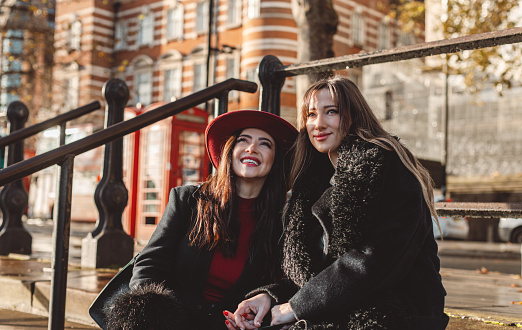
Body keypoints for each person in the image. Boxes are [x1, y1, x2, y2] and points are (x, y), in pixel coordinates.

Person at [225, 76, 449, 330]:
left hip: (398, 311)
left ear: (353, 115)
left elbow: (376, 260)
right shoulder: (313, 180)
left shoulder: (386, 164)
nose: (318, 124)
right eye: (311, 114)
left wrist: (296, 307)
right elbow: (312, 272)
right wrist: (269, 296)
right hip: (336, 306)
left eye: (331, 112)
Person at [105, 110, 297, 330]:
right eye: (243, 140)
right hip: (174, 320)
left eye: (265, 144)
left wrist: (266, 297)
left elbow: (291, 282)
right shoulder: (187, 200)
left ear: (275, 160)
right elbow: (149, 265)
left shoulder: (283, 220)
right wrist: (153, 316)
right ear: (230, 152)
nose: (251, 148)